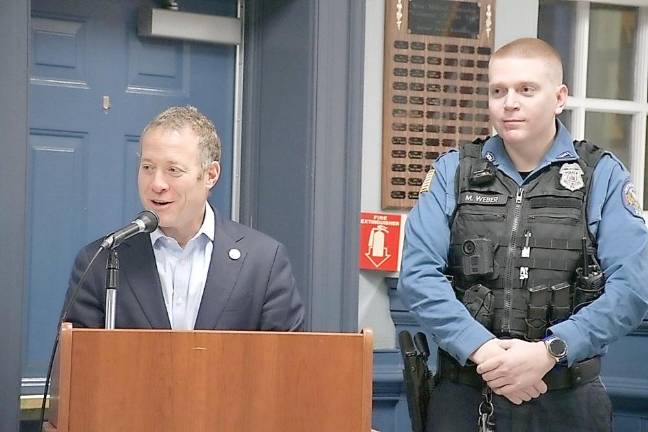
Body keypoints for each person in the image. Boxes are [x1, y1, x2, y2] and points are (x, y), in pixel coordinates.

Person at [398, 37, 648, 432]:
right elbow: (418, 275)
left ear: (559, 96)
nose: (509, 102)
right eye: (498, 91)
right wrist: (480, 349)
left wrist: (549, 352)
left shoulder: (602, 175)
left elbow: (632, 289)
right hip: (464, 395)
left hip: (567, 399)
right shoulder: (453, 172)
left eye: (526, 89)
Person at [64, 105, 304, 331]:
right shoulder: (100, 260)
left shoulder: (263, 262)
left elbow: (286, 365)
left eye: (173, 170)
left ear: (210, 175)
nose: (156, 184)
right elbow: (74, 366)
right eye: (147, 167)